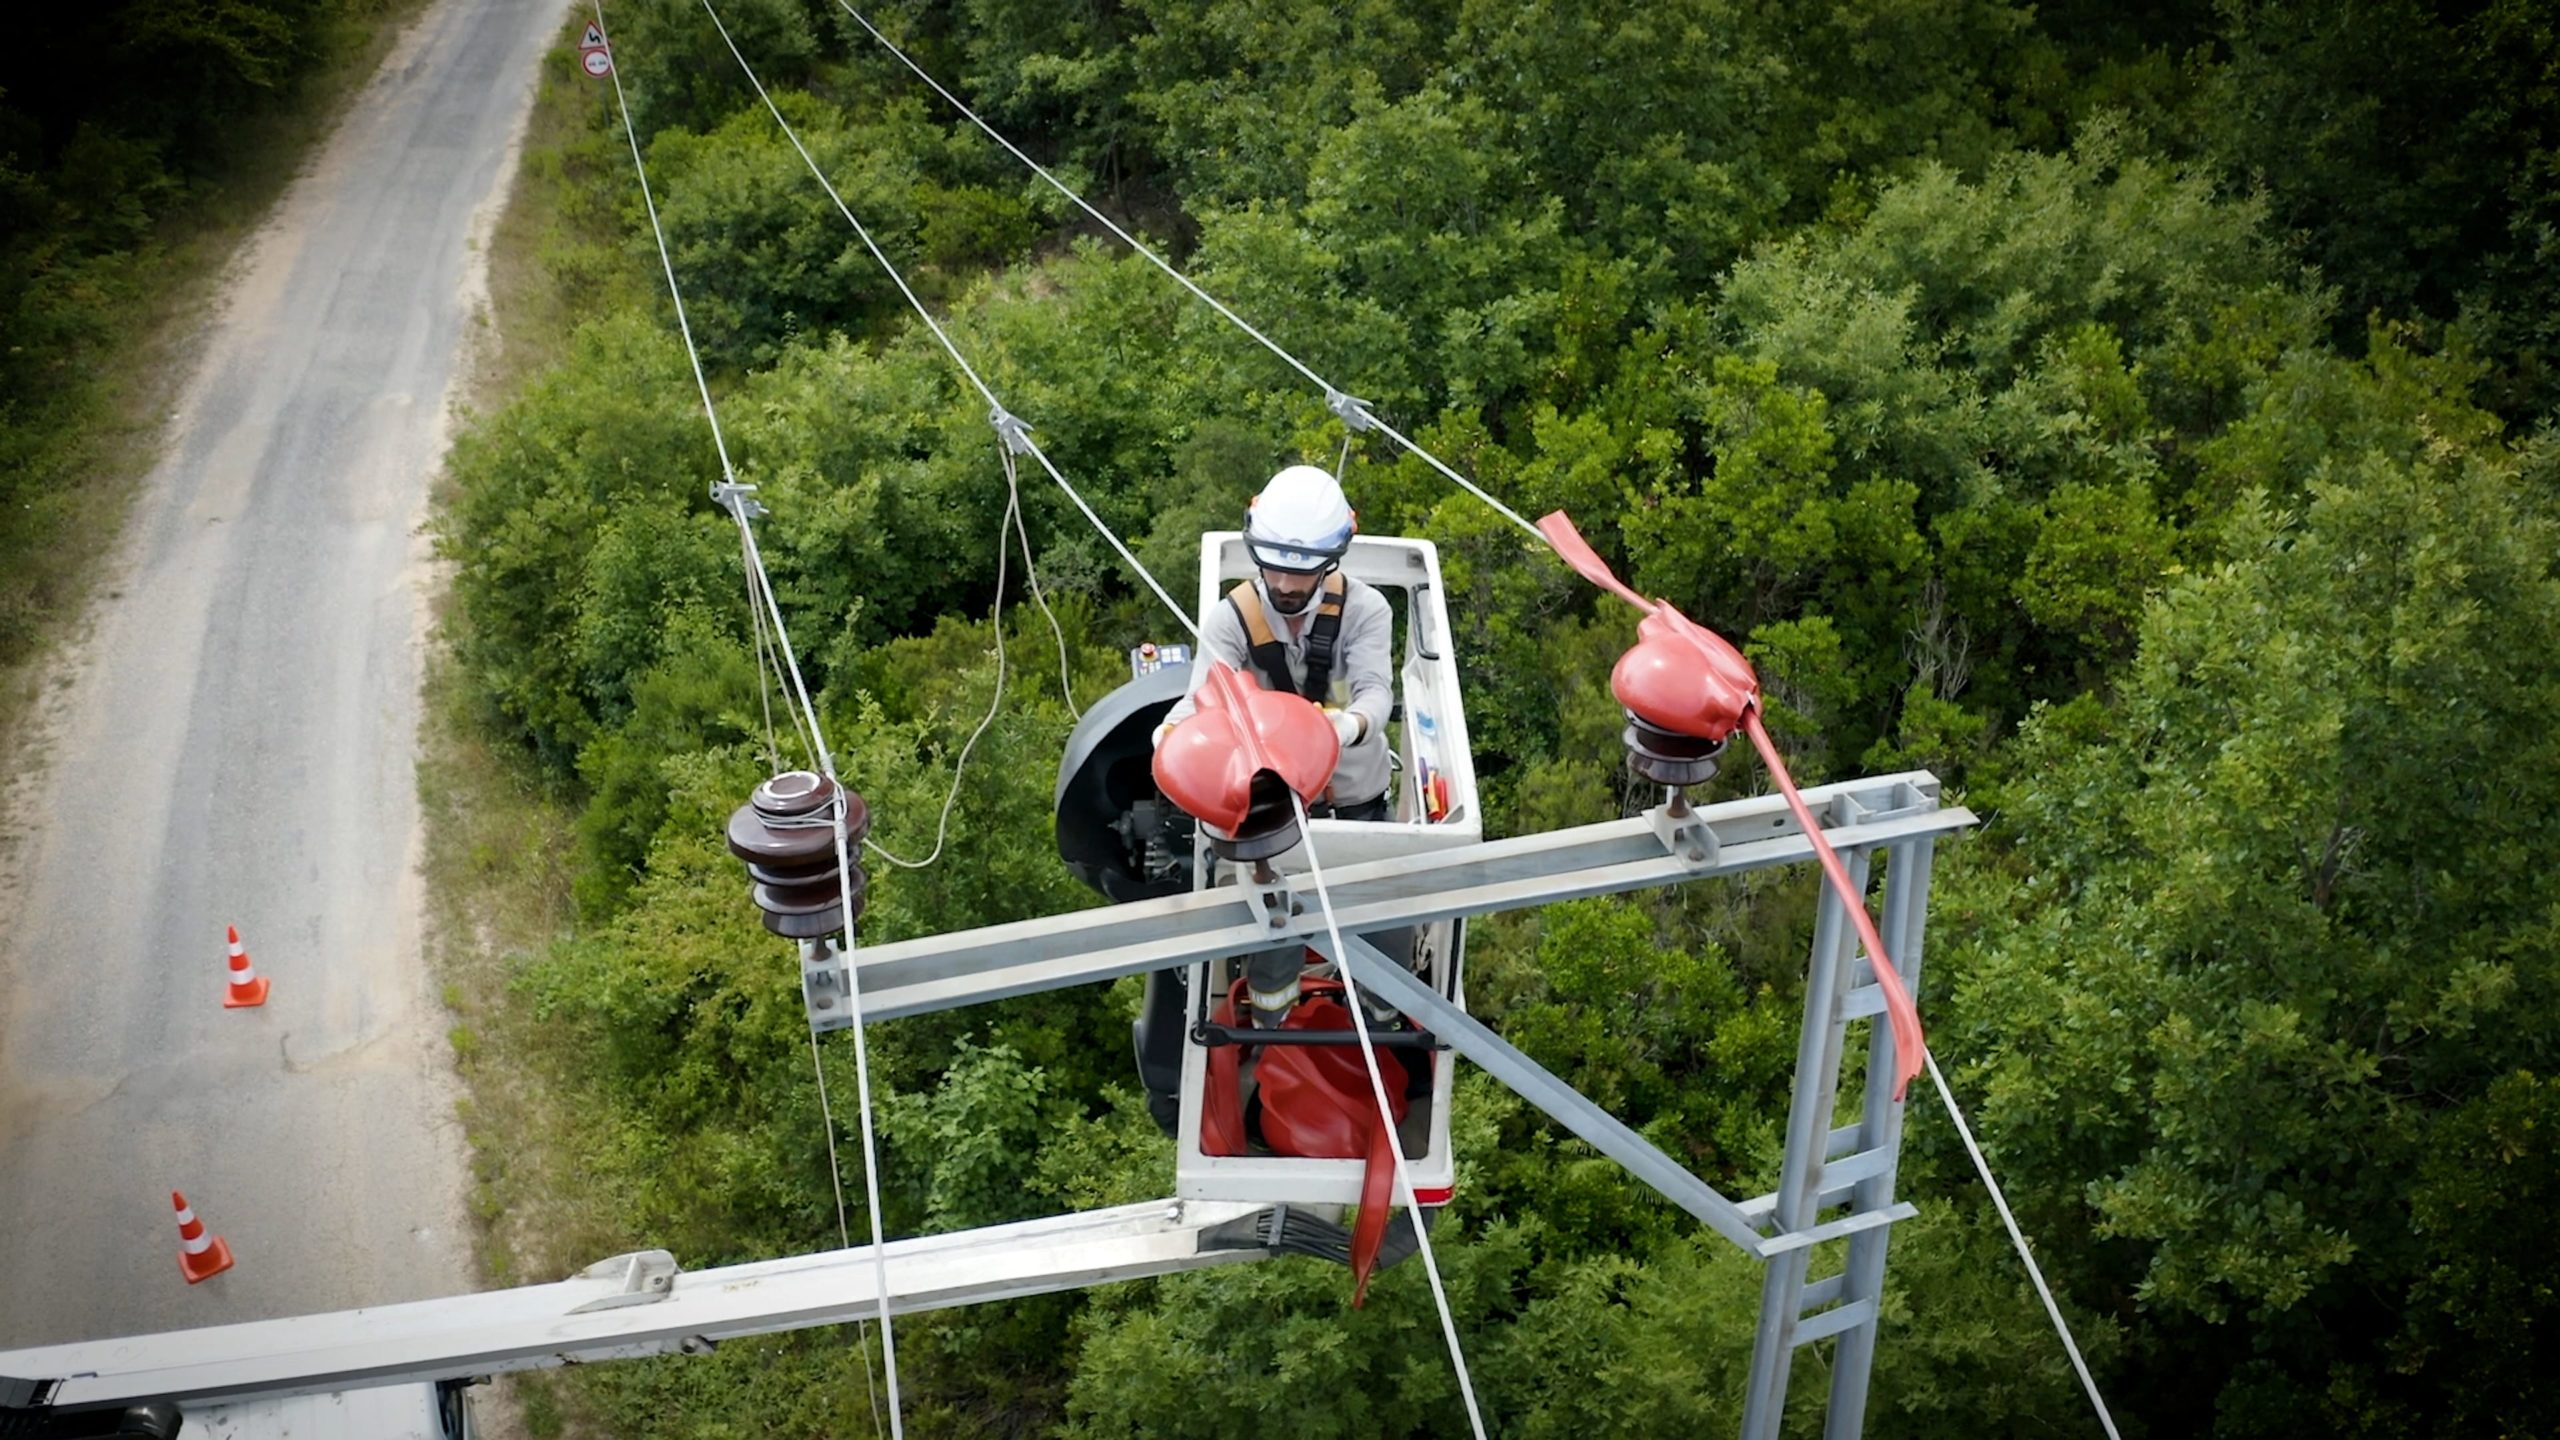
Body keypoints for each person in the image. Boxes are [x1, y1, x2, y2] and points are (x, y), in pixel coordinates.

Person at [1158, 464, 1396, 820]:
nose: (1284, 585)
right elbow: (1201, 699)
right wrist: (1169, 736)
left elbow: (1375, 692)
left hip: (1355, 798)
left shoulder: (1365, 610)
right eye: (1273, 568)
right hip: (1268, 801)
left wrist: (1350, 725)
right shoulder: (1231, 619)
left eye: (1300, 573)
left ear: (1328, 563)